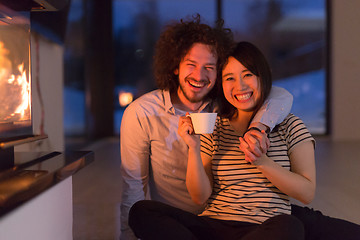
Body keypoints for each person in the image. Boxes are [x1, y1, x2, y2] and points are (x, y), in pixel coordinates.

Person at [128, 42, 360, 240]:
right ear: (222, 84)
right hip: (213, 225)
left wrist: (262, 162)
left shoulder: (290, 125)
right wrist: (194, 149)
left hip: (265, 227)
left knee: (290, 227)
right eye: (229, 78)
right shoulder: (215, 126)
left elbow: (306, 192)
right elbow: (199, 197)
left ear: (263, 75)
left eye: (248, 74)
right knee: (141, 211)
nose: (239, 86)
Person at [120, 15, 293, 239]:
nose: (199, 76)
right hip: (179, 224)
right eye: (191, 65)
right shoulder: (143, 112)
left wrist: (258, 127)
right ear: (175, 67)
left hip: (228, 217)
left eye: (209, 67)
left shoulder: (225, 104)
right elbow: (133, 188)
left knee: (294, 222)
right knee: (141, 212)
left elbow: (280, 95)